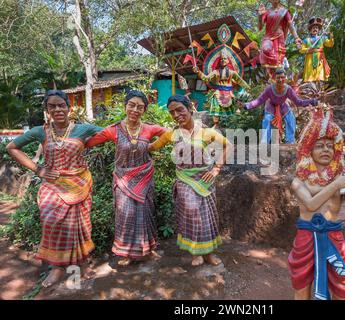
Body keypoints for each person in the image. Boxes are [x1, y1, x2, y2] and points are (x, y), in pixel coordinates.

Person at [6, 90, 102, 287]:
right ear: (47, 110)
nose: (57, 109)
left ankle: (82, 264)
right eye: (52, 106)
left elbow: (112, 134)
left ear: (69, 107)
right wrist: (38, 169)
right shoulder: (40, 131)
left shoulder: (83, 129)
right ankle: (56, 268)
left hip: (79, 184)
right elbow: (12, 148)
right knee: (51, 221)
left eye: (61, 105)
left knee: (79, 226)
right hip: (52, 185)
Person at [289, 106, 345, 300]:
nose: (325, 150)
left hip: (333, 236)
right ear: (309, 150)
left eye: (329, 146)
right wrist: (338, 184)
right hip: (306, 238)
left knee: (344, 282)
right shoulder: (298, 181)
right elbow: (311, 205)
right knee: (301, 283)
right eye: (319, 145)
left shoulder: (341, 179)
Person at [148, 94, 232, 266]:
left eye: (180, 109)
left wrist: (217, 168)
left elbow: (228, 145)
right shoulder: (171, 134)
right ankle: (195, 252)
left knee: (207, 216)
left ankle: (208, 253)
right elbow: (151, 147)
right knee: (192, 212)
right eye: (172, 112)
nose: (177, 115)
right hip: (184, 179)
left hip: (205, 179)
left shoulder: (207, 133)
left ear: (190, 108)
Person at [86, 90, 166, 266]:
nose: (135, 110)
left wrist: (154, 146)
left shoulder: (149, 128)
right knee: (126, 214)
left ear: (144, 110)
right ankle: (127, 254)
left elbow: (170, 135)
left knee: (146, 214)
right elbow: (89, 142)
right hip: (123, 180)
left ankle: (148, 249)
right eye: (131, 105)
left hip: (145, 178)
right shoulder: (114, 130)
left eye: (140, 107)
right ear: (125, 106)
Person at [243, 68, 318, 144]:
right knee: (267, 119)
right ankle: (264, 142)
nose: (280, 80)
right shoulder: (269, 89)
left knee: (291, 118)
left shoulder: (288, 89)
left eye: (282, 77)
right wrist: (247, 106)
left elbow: (298, 102)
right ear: (275, 78)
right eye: (278, 78)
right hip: (271, 106)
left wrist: (312, 101)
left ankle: (290, 141)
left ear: (285, 78)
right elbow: (259, 100)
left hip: (282, 105)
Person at [193, 50, 249, 128]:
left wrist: (249, 88)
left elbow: (240, 81)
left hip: (229, 94)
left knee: (235, 113)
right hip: (218, 94)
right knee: (216, 114)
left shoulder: (232, 73)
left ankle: (235, 125)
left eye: (225, 59)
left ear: (228, 60)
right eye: (221, 59)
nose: (223, 60)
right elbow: (206, 79)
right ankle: (216, 125)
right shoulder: (215, 72)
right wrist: (198, 72)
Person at [258, 0, 302, 78]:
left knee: (277, 60)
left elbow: (290, 25)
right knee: (266, 49)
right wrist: (260, 16)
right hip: (268, 37)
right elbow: (260, 28)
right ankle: (270, 77)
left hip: (279, 38)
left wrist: (296, 37)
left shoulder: (284, 11)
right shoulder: (267, 12)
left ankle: (276, 78)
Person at [300, 17, 334, 83]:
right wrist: (308, 49)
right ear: (310, 30)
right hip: (310, 59)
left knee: (320, 77)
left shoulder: (322, 38)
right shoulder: (306, 40)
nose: (315, 29)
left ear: (318, 30)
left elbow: (330, 44)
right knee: (310, 77)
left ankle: (320, 89)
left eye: (316, 28)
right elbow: (301, 50)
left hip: (320, 59)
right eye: (313, 28)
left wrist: (331, 37)